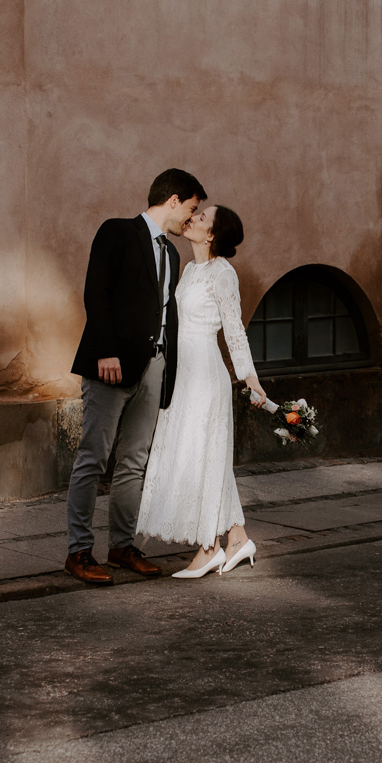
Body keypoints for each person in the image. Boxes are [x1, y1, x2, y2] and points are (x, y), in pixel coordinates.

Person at [64, 168, 205, 586]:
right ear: (174, 200)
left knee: (135, 462)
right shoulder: (118, 231)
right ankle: (79, 551)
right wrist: (105, 348)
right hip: (113, 363)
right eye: (191, 209)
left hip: (155, 367)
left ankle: (122, 545)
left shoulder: (173, 254)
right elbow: (97, 291)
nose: (191, 220)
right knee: (94, 457)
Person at [135, 202, 267, 578]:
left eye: (202, 217)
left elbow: (234, 329)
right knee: (204, 457)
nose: (193, 218)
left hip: (207, 377)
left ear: (211, 234)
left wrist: (249, 379)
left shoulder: (223, 274)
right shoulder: (191, 270)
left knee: (202, 457)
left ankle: (209, 548)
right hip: (183, 374)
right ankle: (238, 539)